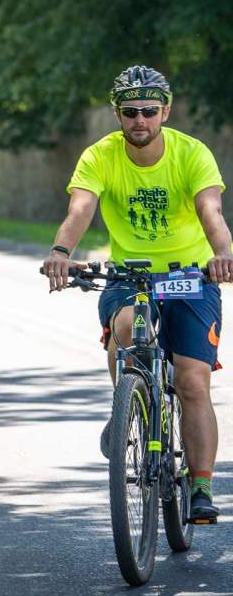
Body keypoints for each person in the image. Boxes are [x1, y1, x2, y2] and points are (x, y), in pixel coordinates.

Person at [42, 65, 233, 523]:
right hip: (130, 274)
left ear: (165, 111)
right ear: (118, 114)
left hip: (189, 275)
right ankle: (127, 403)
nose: (140, 120)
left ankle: (201, 486)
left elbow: (210, 209)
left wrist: (223, 253)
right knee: (125, 327)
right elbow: (81, 207)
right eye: (131, 112)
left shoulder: (192, 153)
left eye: (149, 111)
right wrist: (61, 251)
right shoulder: (100, 156)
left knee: (191, 381)